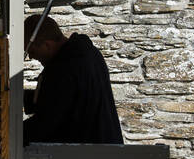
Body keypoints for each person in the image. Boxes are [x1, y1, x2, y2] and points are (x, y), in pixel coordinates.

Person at [23, 14, 124, 145]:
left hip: (85, 154)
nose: (31, 56)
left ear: (47, 45)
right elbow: (69, 99)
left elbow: (48, 121)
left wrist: (11, 133)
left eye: (32, 51)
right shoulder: (89, 53)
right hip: (104, 145)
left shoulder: (63, 67)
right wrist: (21, 97)